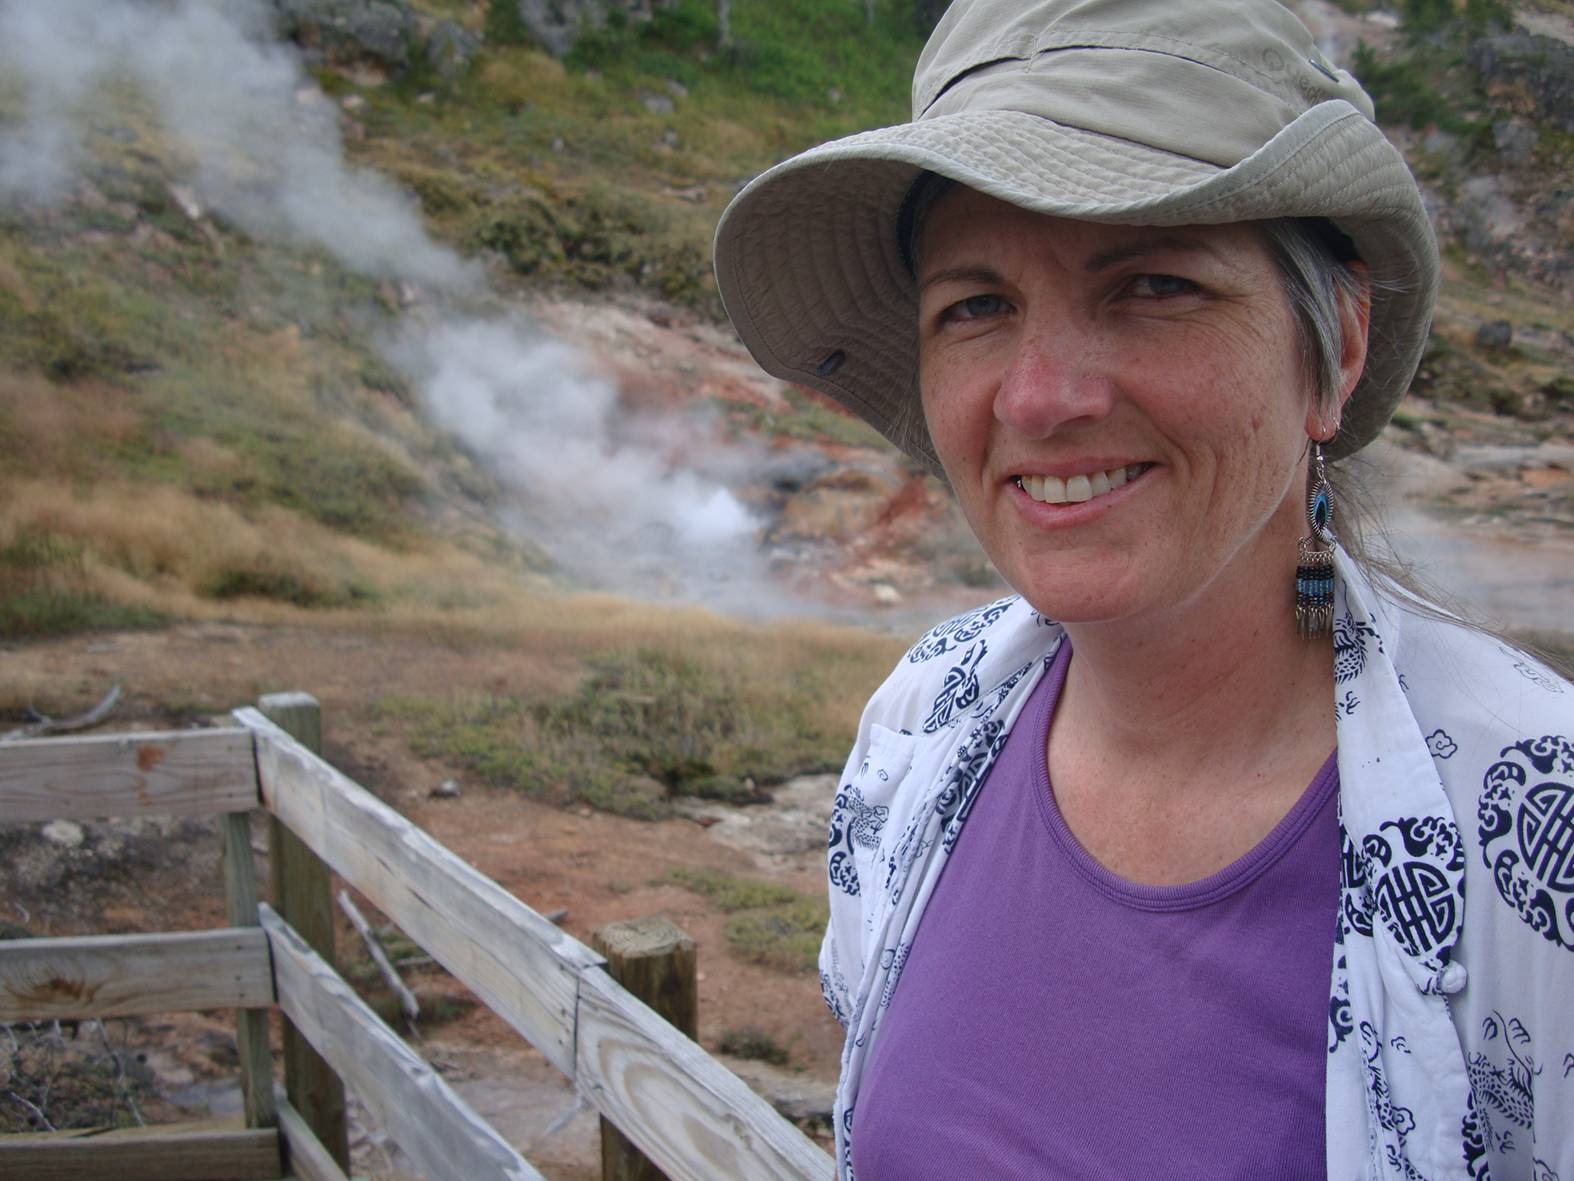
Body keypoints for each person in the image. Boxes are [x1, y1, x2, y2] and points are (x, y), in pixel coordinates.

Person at [711, 0, 1574, 1177]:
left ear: (1338, 347)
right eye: (975, 307)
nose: (1037, 397)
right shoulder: (920, 720)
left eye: (1152, 286)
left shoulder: (1533, 820)